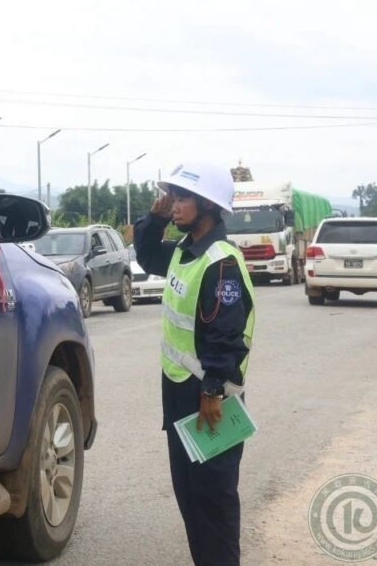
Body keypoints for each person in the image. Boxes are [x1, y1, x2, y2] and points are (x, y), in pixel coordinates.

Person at [134, 162, 256, 566]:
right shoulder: (185, 253)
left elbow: (226, 335)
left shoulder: (221, 261)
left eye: (182, 198)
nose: (175, 206)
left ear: (207, 204)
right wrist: (153, 216)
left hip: (209, 398)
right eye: (173, 197)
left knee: (213, 503)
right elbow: (149, 254)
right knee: (190, 496)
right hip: (180, 393)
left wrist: (212, 391)